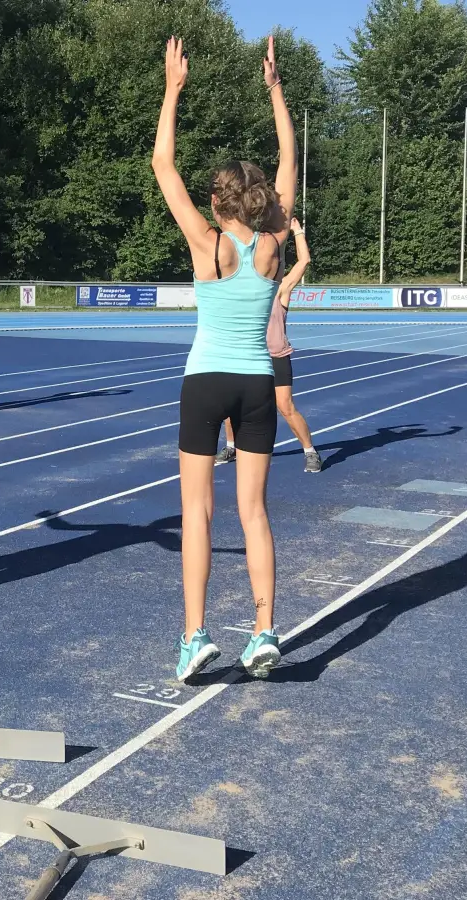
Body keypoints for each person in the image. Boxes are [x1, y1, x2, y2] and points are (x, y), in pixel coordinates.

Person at [152, 35, 295, 681]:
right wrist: (275, 90)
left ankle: (195, 636)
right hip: (257, 384)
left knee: (198, 513)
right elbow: (289, 156)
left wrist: (173, 89)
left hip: (205, 382)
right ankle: (264, 632)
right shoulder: (273, 242)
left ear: (216, 201)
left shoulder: (204, 241)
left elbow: (162, 163)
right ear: (261, 199)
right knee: (254, 512)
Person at [215, 218, 323, 473]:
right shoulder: (243, 289)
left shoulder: (281, 290)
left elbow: (304, 261)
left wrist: (297, 231)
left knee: (285, 406)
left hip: (276, 355)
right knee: (231, 405)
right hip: (248, 355)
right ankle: (231, 446)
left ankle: (310, 451)